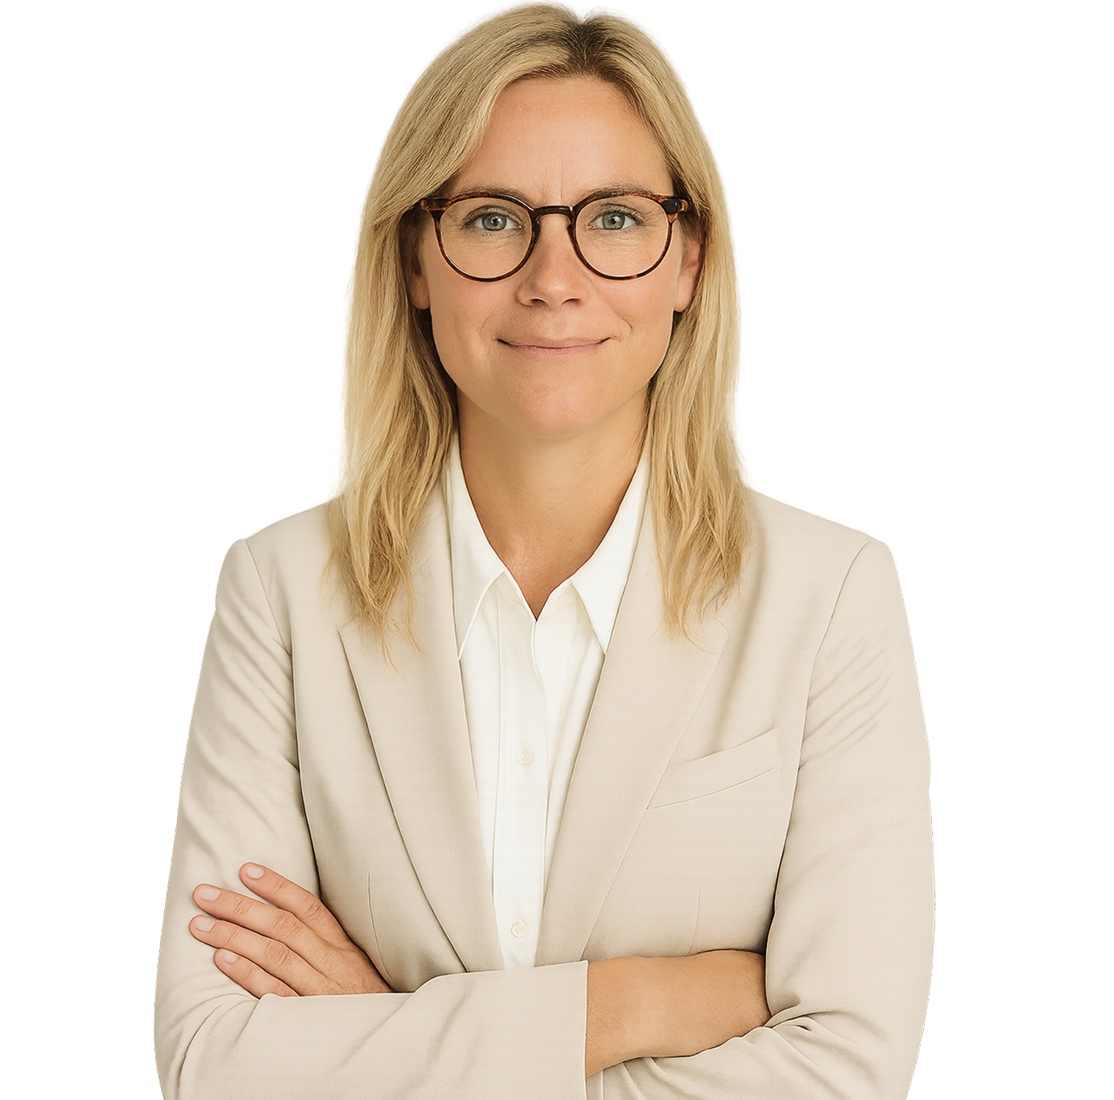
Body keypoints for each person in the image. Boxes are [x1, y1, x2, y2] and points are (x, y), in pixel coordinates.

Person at [153, 2, 934, 1097]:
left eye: (614, 218)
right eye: (491, 218)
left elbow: (848, 1068)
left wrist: (381, 1033)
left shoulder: (832, 594)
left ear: (688, 259)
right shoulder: (279, 591)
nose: (554, 278)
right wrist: (635, 1004)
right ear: (415, 259)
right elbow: (211, 1062)